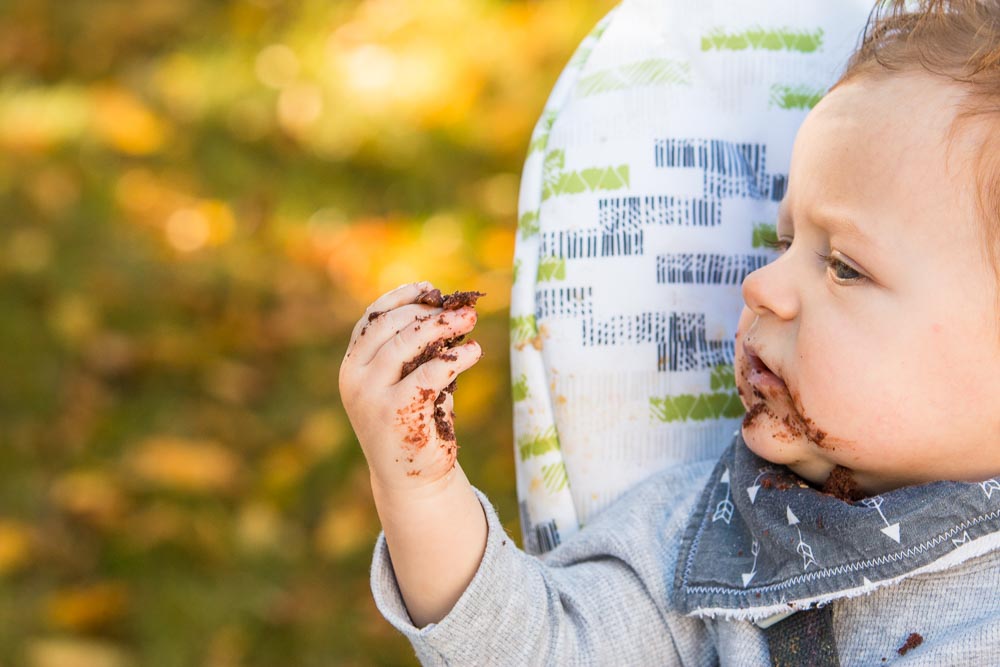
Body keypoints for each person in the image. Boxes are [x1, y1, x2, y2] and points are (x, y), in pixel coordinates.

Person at [338, 1, 1000, 663]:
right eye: (786, 241)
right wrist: (419, 488)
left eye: (845, 267)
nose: (762, 285)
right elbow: (541, 646)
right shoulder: (705, 543)